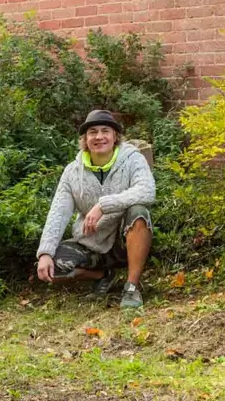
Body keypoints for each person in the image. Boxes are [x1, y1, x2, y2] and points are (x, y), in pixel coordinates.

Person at [35, 109, 154, 309]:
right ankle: (103, 275)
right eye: (93, 132)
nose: (99, 137)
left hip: (124, 241)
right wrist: (45, 252)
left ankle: (132, 287)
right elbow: (58, 213)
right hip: (91, 243)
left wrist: (103, 205)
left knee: (139, 212)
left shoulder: (132, 159)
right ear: (85, 138)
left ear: (115, 136)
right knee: (51, 267)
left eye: (105, 131)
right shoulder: (73, 171)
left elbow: (147, 191)